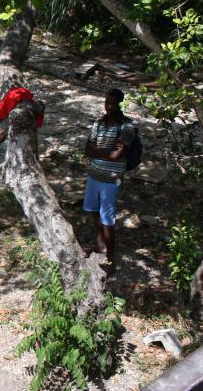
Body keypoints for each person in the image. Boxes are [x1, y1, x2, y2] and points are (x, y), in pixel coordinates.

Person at [83, 88, 135, 273]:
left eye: (114, 103)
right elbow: (88, 150)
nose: (110, 106)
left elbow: (118, 154)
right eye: (107, 102)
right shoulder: (98, 123)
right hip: (94, 175)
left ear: (121, 104)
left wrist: (100, 152)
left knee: (108, 221)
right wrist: (107, 152)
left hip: (111, 181)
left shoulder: (127, 127)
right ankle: (101, 244)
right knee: (92, 211)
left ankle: (111, 259)